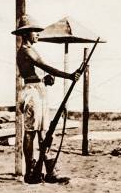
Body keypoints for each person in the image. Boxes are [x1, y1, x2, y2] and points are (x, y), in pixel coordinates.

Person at [12, 15, 80, 183]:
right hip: (32, 93)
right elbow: (44, 66)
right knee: (31, 132)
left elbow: (37, 73)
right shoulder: (26, 50)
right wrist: (69, 76)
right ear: (27, 33)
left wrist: (45, 80)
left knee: (44, 132)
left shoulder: (31, 49)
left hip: (38, 90)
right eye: (35, 32)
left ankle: (49, 171)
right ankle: (30, 171)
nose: (37, 35)